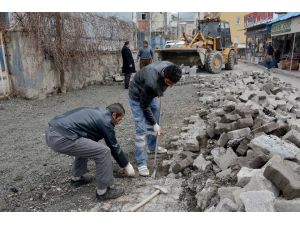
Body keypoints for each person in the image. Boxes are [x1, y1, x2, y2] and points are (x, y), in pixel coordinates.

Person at [45, 103, 135, 201]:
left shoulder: (97, 113)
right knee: (104, 152)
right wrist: (126, 165)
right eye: (120, 119)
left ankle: (77, 179)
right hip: (61, 137)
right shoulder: (106, 121)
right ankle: (103, 192)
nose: (119, 122)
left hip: (52, 131)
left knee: (87, 144)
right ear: (114, 115)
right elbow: (113, 145)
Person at [128, 61, 182, 176]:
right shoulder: (151, 82)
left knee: (155, 115)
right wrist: (153, 124)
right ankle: (141, 163)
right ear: (163, 76)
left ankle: (152, 147)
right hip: (137, 96)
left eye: (172, 84)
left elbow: (159, 89)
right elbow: (144, 105)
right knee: (141, 129)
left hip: (150, 94)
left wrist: (154, 122)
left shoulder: (170, 67)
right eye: (168, 83)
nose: (170, 86)